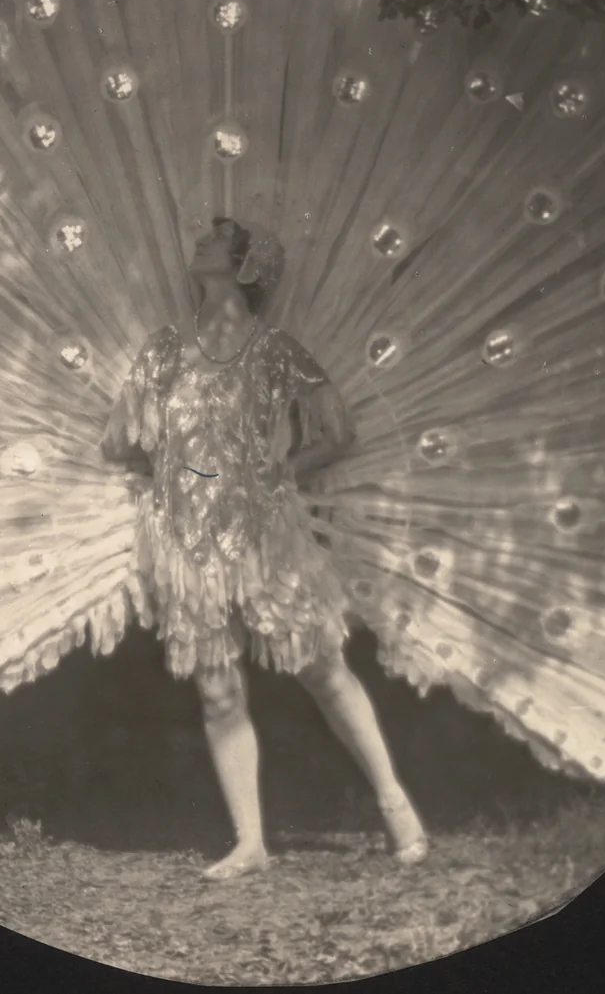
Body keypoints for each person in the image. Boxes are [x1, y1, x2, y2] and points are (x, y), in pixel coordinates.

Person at [101, 216, 428, 880]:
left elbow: (339, 431)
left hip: (265, 533)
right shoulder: (165, 348)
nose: (200, 243)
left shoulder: (276, 350)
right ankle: (250, 843)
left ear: (245, 268)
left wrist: (283, 472)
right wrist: (173, 470)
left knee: (322, 669)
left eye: (215, 241)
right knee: (218, 692)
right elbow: (118, 440)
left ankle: (395, 801)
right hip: (187, 539)